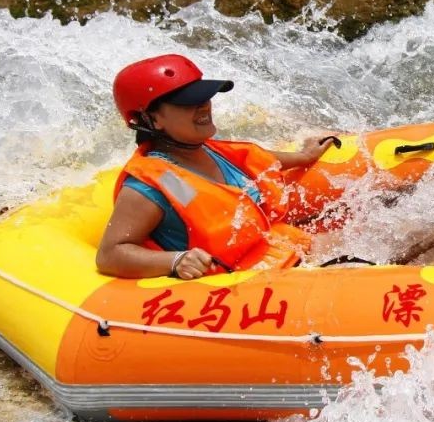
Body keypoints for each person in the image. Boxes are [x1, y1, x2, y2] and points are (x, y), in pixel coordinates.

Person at [96, 54, 334, 280]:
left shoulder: (209, 149)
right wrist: (175, 261)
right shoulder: (150, 186)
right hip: (240, 286)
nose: (203, 107)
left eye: (204, 97)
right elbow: (110, 254)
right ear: (152, 119)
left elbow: (261, 160)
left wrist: (304, 156)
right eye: (187, 103)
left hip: (280, 252)